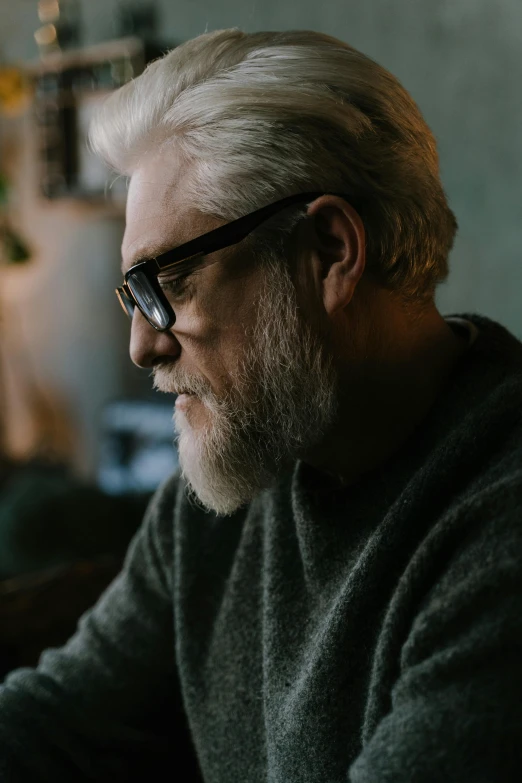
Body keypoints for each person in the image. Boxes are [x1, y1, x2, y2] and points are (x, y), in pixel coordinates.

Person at [1, 27, 521, 782]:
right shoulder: (234, 474)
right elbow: (57, 722)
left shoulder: (497, 537)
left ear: (331, 253)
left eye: (168, 285)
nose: (141, 347)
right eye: (131, 294)